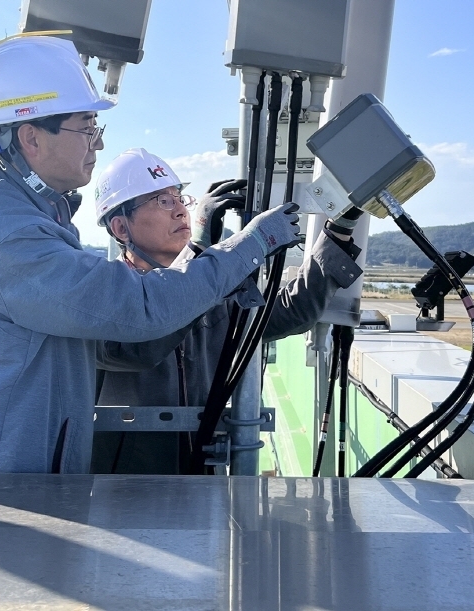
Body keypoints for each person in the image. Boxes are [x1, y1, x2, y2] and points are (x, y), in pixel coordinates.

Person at [0, 35, 300, 474]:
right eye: (87, 127)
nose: (97, 144)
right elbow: (138, 309)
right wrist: (251, 245)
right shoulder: (9, 235)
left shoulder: (22, 213)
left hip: (9, 484)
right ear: (31, 137)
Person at [91, 148, 363, 474]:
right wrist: (201, 251)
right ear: (121, 228)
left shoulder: (213, 294)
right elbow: (139, 347)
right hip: (123, 491)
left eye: (180, 198)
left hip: (203, 482)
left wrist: (341, 226)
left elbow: (291, 311)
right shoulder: (101, 295)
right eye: (162, 201)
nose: (180, 211)